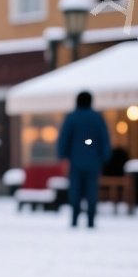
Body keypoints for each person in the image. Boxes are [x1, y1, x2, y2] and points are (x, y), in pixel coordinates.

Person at [57, 90, 111, 229]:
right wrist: (104, 157)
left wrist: (63, 156)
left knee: (75, 191)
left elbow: (64, 138)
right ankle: (91, 220)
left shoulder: (72, 117)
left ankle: (75, 219)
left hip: (75, 160)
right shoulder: (97, 118)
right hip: (93, 161)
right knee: (91, 191)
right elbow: (104, 139)